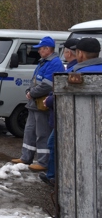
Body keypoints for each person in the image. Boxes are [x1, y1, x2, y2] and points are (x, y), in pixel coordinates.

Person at [11, 36, 64, 171]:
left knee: (42, 133)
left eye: (40, 49)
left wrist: (32, 93)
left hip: (42, 104)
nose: (38, 51)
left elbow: (47, 85)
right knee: (30, 131)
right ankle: (26, 157)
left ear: (47, 49)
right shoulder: (43, 62)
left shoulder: (54, 63)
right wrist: (29, 90)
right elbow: (35, 81)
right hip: (34, 104)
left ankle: (43, 162)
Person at [39, 38, 78, 186]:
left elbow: (58, 90)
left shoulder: (72, 71)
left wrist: (48, 101)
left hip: (65, 117)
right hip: (66, 116)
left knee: (54, 145)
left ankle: (54, 177)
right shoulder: (70, 69)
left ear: (69, 53)